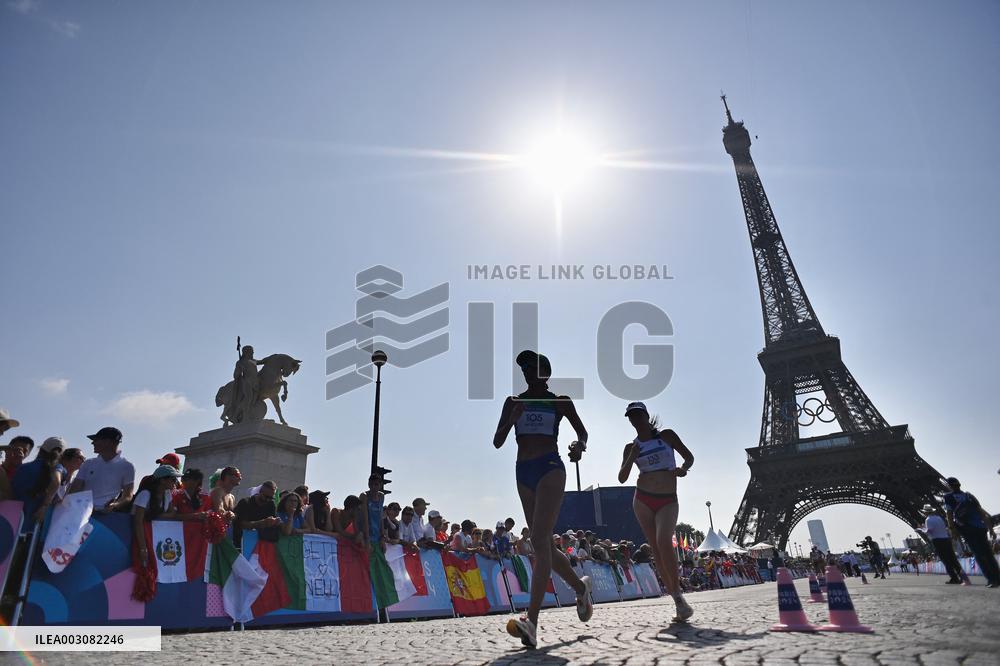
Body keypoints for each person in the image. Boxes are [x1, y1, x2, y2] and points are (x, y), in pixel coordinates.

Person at [493, 350, 593, 648]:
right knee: (544, 544)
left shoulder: (560, 401)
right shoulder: (513, 401)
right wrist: (511, 420)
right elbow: (497, 441)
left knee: (538, 539)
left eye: (531, 367)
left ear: (545, 372)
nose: (525, 372)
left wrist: (579, 447)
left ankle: (532, 622)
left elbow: (582, 432)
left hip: (550, 466)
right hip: (523, 471)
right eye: (523, 368)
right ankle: (580, 588)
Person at [617, 401, 695, 623]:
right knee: (656, 549)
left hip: (667, 499)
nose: (635, 419)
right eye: (631, 417)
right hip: (642, 498)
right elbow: (622, 477)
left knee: (663, 541)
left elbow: (689, 457)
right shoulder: (631, 447)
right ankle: (677, 599)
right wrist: (632, 456)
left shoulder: (667, 436)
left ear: (646, 415)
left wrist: (684, 469)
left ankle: (678, 592)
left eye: (638, 415)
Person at [943, 477, 999, 588]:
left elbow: (949, 514)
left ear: (948, 486)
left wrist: (952, 529)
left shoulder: (948, 497)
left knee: (979, 555)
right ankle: (998, 577)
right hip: (980, 528)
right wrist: (990, 528)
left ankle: (991, 579)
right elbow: (982, 512)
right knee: (988, 554)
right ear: (959, 484)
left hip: (967, 529)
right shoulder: (969, 496)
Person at [70, 427, 134, 513]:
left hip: (104, 518)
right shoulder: (88, 463)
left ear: (107, 442)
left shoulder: (127, 467)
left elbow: (128, 496)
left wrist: (115, 505)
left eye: (96, 440)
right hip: (80, 512)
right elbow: (74, 489)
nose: (92, 443)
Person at [132, 465, 182, 567]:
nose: (176, 482)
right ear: (162, 480)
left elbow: (172, 514)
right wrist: (143, 548)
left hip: (152, 537)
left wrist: (153, 516)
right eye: (173, 479)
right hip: (136, 537)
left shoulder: (167, 494)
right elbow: (138, 521)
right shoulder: (145, 494)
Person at [12, 436, 66, 525]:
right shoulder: (59, 469)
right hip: (35, 526)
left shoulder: (23, 468)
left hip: (12, 520)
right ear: (61, 455)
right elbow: (56, 481)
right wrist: (44, 506)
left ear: (40, 449)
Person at [234, 480, 281, 548]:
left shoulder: (271, 504)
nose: (267, 500)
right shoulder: (246, 502)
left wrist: (276, 522)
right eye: (266, 496)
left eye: (271, 498)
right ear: (260, 492)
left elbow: (272, 523)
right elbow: (242, 524)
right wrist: (263, 523)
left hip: (260, 544)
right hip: (241, 542)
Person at [360, 473, 386, 553]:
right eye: (371, 484)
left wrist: (382, 537)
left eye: (376, 484)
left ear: (380, 485)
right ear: (368, 484)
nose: (374, 487)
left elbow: (380, 517)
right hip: (366, 534)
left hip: (377, 535)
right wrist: (367, 540)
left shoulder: (381, 496)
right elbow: (365, 518)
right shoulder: (364, 496)